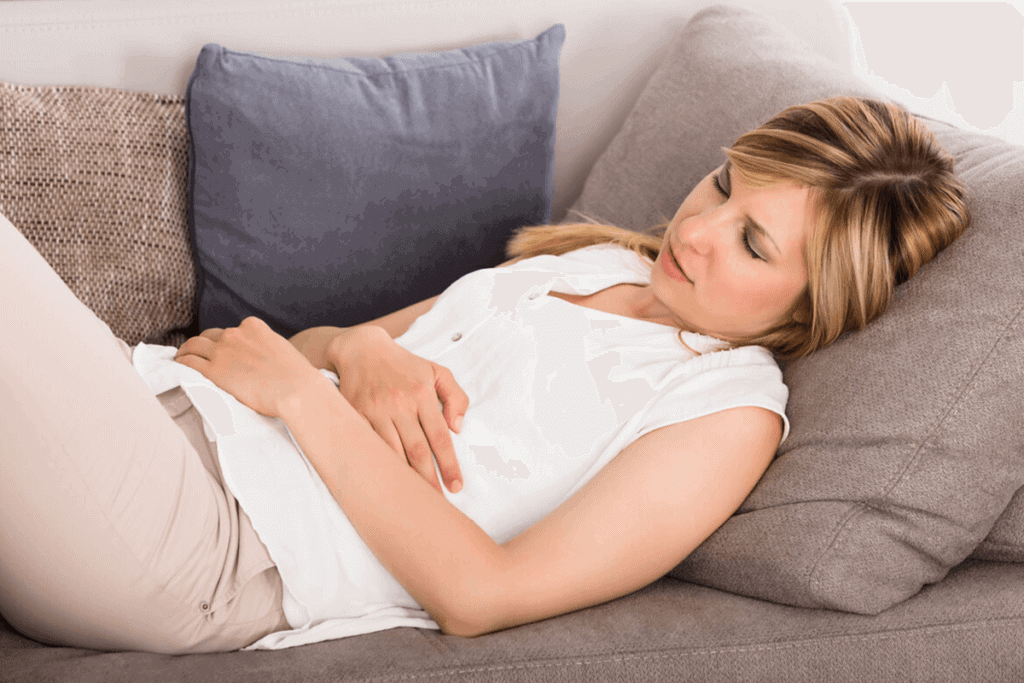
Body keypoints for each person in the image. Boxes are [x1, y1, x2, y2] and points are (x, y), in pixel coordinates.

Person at [0, 97, 969, 654]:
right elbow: (304, 352)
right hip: (162, 406)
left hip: (214, 546)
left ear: (816, 298)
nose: (698, 228)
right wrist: (355, 350)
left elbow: (484, 592)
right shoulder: (593, 264)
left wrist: (302, 391)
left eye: (753, 242)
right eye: (722, 183)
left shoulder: (727, 411)